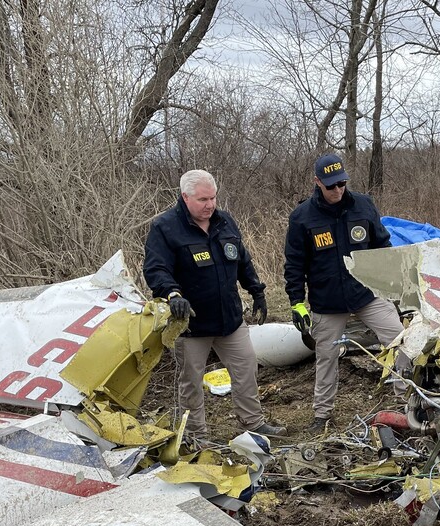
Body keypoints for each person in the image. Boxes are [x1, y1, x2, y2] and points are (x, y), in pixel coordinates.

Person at [143, 169, 285, 443]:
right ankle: (196, 436)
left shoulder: (224, 222)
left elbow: (242, 259)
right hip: (190, 323)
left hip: (229, 318)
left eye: (213, 198)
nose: (210, 205)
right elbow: (156, 268)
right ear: (185, 197)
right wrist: (173, 294)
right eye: (203, 200)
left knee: (246, 369)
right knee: (191, 383)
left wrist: (257, 291)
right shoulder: (165, 228)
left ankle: (253, 424)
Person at [284, 153, 404, 434]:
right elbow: (294, 264)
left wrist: (392, 285)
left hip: (366, 293)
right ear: (317, 183)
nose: (337, 190)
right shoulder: (302, 218)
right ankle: (322, 414)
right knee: (326, 355)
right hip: (327, 302)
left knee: (401, 341)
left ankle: (407, 401)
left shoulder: (363, 205)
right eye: (331, 186)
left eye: (341, 184)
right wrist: (295, 303)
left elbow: (382, 246)